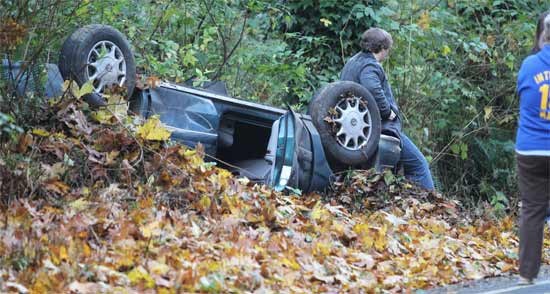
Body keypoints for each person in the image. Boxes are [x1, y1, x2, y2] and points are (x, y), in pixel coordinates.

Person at [340, 28, 435, 190]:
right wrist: (388, 112)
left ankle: (411, 202)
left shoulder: (353, 61)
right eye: (388, 49)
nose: (388, 53)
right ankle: (430, 206)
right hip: (381, 130)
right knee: (418, 165)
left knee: (384, 174)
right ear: (382, 48)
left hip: (360, 131)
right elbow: (372, 87)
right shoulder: (370, 65)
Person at [516, 13, 550, 285]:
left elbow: (524, 97)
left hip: (530, 149)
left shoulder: (528, 65)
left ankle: (527, 273)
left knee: (532, 211)